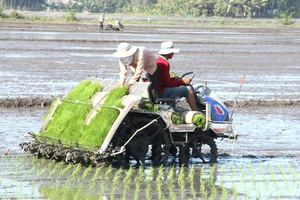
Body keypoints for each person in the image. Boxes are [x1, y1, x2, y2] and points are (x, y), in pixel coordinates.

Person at [156, 41, 197, 111]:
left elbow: (162, 79)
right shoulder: (164, 64)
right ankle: (195, 112)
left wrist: (174, 79)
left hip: (158, 90)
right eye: (172, 52)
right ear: (169, 52)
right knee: (188, 90)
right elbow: (167, 83)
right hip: (162, 91)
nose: (173, 54)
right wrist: (183, 82)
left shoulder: (157, 60)